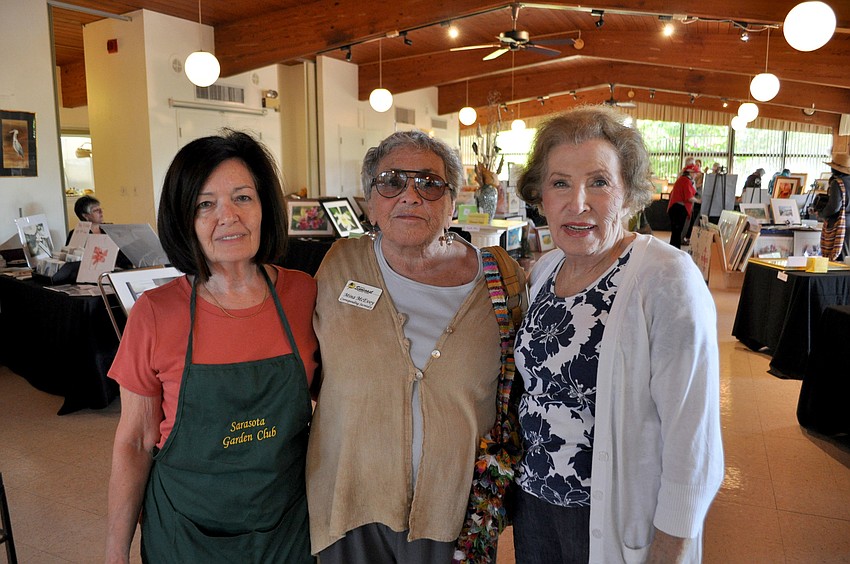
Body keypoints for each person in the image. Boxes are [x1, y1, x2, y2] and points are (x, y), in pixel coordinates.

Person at [512, 106, 723, 563]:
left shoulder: (666, 278)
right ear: (540, 195)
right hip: (534, 507)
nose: (578, 202)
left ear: (629, 194)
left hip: (612, 517)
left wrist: (671, 547)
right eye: (560, 182)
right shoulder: (545, 270)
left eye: (599, 182)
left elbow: (694, 438)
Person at [306, 129, 521, 563]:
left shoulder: (501, 278)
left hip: (455, 508)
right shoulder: (338, 265)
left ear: (452, 201)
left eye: (429, 182)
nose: (410, 195)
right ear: (370, 201)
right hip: (348, 499)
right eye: (391, 181)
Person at [105, 130, 319, 563]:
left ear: (265, 208)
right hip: (185, 534)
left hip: (289, 530)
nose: (228, 216)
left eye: (243, 197)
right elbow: (134, 442)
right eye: (205, 204)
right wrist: (115, 553)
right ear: (184, 220)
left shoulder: (306, 295)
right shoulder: (154, 313)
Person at [818, 152, 850, 261]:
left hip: (840, 225)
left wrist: (822, 214)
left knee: (837, 260)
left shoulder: (838, 183)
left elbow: (834, 207)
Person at [667, 168, 700, 248]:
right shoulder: (685, 181)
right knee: (677, 232)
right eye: (695, 173)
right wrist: (699, 201)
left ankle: (673, 249)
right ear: (690, 172)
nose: (696, 175)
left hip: (676, 208)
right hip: (678, 208)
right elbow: (689, 197)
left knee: (676, 232)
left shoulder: (683, 179)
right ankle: (675, 249)